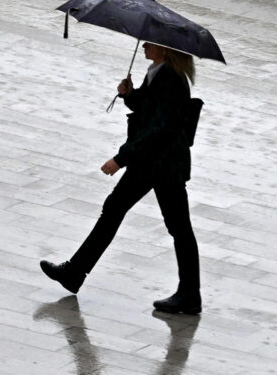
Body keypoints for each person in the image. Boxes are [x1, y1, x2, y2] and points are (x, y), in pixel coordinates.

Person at [39, 42, 201, 314]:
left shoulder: (170, 79)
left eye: (150, 42)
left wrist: (120, 158)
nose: (145, 45)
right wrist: (130, 94)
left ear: (164, 49)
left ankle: (189, 295)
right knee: (117, 210)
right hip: (154, 162)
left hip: (162, 164)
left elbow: (158, 129)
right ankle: (74, 273)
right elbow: (150, 110)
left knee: (178, 227)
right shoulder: (159, 73)